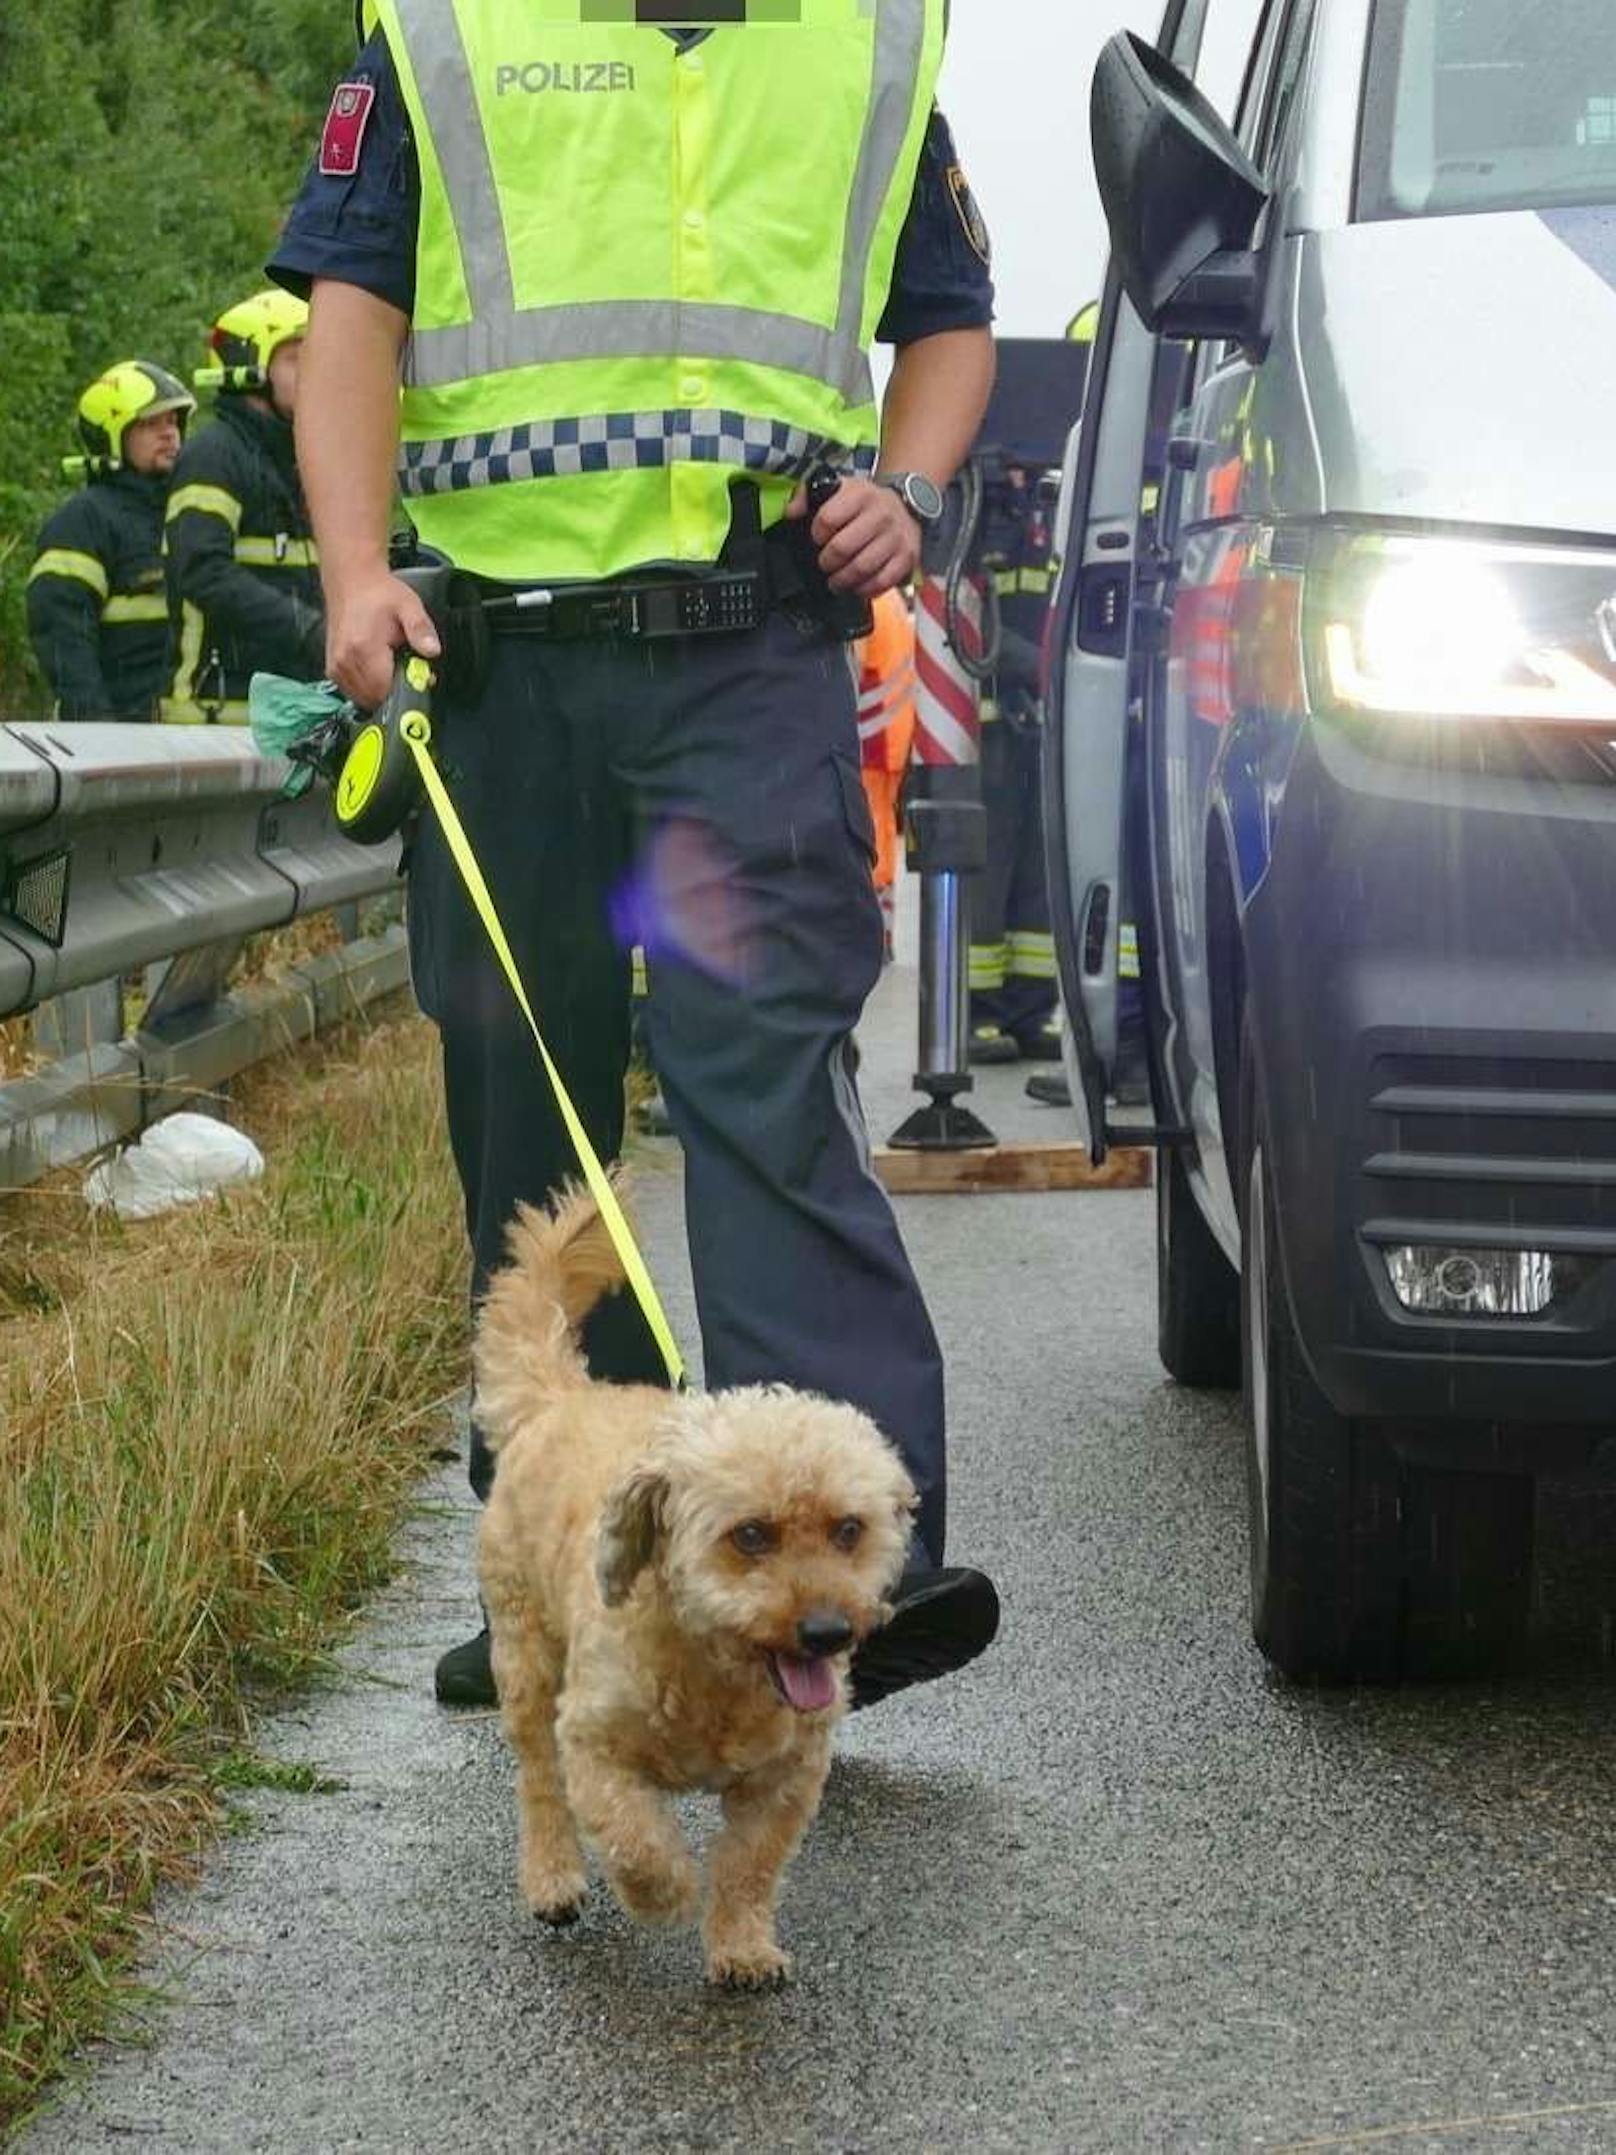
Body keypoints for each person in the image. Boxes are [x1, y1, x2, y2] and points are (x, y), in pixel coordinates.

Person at [271, 3, 1001, 1713]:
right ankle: (569, 1565)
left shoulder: (867, 48)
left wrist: (908, 483)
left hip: (753, 659)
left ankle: (839, 1577)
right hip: (503, 667)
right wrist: (354, 567)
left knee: (763, 1088)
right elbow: (351, 315)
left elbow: (951, 323)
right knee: (528, 1107)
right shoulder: (443, 32)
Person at [162, 290, 323, 724]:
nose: (315, 372)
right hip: (216, 713)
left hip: (287, 716)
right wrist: (305, 628)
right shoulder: (214, 455)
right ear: (252, 369)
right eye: (296, 359)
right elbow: (201, 571)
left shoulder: (297, 458)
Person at [27, 361, 194, 721]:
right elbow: (62, 636)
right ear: (111, 435)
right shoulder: (82, 523)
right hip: (120, 734)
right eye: (151, 423)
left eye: (173, 421)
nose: (169, 434)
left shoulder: (188, 511)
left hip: (190, 732)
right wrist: (98, 727)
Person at [966, 459, 1063, 1066]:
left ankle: (1031, 1009)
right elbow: (967, 616)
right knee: (987, 870)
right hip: (987, 726)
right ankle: (978, 1012)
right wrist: (1045, 665)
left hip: (1046, 720)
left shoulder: (1051, 513)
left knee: (1039, 870)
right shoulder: (977, 513)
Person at [856, 588, 919, 961]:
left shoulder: (868, 601)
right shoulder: (892, 599)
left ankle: (876, 934)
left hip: (871, 732)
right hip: (892, 731)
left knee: (872, 828)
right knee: (879, 822)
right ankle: (883, 930)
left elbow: (857, 662)